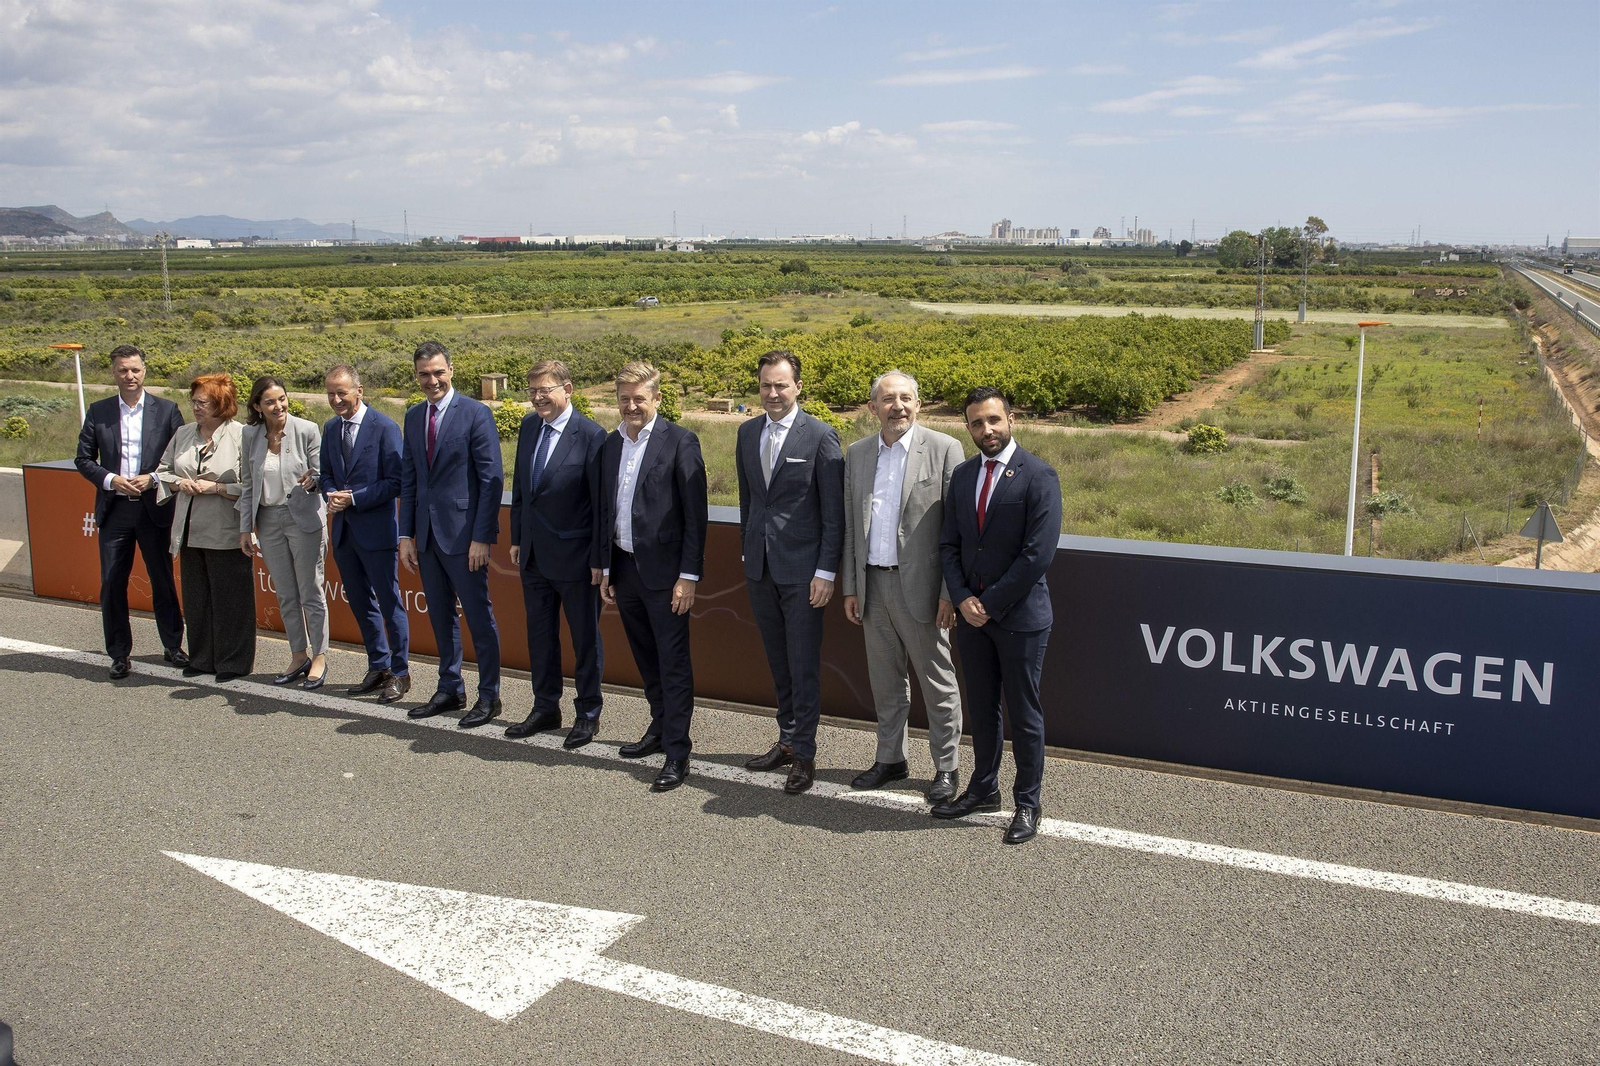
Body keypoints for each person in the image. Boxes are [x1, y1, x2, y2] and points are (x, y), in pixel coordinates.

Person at [935, 387, 1061, 845]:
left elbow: (1037, 556)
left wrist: (987, 604)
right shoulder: (964, 475)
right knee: (982, 710)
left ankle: (1028, 801)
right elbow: (950, 544)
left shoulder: (1039, 476)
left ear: (1012, 419)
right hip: (972, 618)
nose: (986, 430)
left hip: (1020, 617)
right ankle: (983, 788)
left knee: (1024, 713)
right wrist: (964, 597)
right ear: (967, 427)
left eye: (993, 420)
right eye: (975, 423)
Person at [840, 370, 966, 803]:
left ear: (919, 404)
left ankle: (946, 768)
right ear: (872, 407)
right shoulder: (856, 454)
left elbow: (958, 530)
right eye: (888, 399)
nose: (899, 406)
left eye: (906, 398)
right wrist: (851, 586)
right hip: (873, 586)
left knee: (938, 685)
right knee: (886, 684)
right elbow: (851, 528)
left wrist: (950, 593)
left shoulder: (946, 449)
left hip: (925, 592)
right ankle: (890, 758)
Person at [735, 350, 844, 795]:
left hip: (804, 573)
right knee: (778, 662)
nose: (773, 393)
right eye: (766, 385)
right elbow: (748, 502)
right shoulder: (746, 433)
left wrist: (826, 572)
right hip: (761, 568)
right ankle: (785, 739)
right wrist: (747, 552)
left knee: (803, 666)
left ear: (798, 387)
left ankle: (805, 754)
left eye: (781, 385)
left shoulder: (819, 436)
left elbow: (834, 515)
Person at [597, 362, 708, 792]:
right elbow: (607, 510)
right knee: (646, 658)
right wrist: (606, 567)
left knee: (673, 663)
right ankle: (659, 727)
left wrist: (689, 575)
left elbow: (695, 517)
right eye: (624, 399)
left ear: (657, 399)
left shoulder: (680, 441)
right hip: (624, 570)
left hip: (667, 576)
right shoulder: (610, 445)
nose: (631, 406)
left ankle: (678, 752)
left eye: (639, 398)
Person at [398, 341, 503, 725]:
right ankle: (449, 689)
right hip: (425, 538)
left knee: (478, 617)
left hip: (464, 539)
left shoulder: (475, 413)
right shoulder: (412, 417)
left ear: (451, 370)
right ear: (417, 376)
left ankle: (489, 696)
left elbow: (491, 480)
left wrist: (481, 537)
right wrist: (405, 535)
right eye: (424, 374)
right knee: (441, 617)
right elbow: (410, 480)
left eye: (439, 372)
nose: (432, 380)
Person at [504, 360, 607, 746]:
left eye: (544, 390)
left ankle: (588, 713)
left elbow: (601, 506)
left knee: (585, 641)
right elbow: (521, 490)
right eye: (531, 390)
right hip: (533, 556)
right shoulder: (530, 427)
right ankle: (545, 707)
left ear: (568, 388)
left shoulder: (593, 436)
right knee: (541, 637)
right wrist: (517, 538)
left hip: (577, 559)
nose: (537, 397)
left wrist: (600, 559)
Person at [74, 344, 187, 679]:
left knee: (163, 580)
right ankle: (119, 654)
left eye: (135, 369)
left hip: (154, 510)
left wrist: (152, 478)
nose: (130, 376)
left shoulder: (167, 411)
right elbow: (83, 459)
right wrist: (111, 480)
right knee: (112, 582)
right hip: (115, 510)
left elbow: (180, 460)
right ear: (114, 372)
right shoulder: (99, 411)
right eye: (123, 370)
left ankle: (172, 646)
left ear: (144, 370)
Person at [154, 373, 254, 682]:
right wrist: (178, 482)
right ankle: (201, 657)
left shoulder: (242, 435)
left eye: (204, 402)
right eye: (194, 401)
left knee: (231, 600)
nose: (196, 407)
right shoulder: (183, 433)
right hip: (189, 529)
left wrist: (218, 489)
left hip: (226, 529)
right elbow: (162, 471)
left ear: (222, 404)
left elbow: (251, 484)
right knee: (197, 599)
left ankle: (232, 662)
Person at [321, 365, 410, 704]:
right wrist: (330, 493)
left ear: (359, 391)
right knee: (360, 603)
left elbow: (396, 482)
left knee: (390, 604)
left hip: (376, 532)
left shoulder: (385, 427)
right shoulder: (330, 429)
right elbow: (326, 473)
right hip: (344, 532)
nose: (336, 399)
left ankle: (400, 673)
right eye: (330, 393)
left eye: (342, 392)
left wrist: (354, 498)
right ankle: (379, 666)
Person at [238, 375, 329, 688]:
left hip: (302, 519)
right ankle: (298, 654)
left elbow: (322, 474)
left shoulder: (306, 430)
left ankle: (319, 655)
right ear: (257, 406)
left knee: (311, 591)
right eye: (270, 402)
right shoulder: (250, 435)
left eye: (282, 399)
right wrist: (245, 528)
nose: (278, 406)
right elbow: (248, 483)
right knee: (286, 593)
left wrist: (314, 479)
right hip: (268, 520)